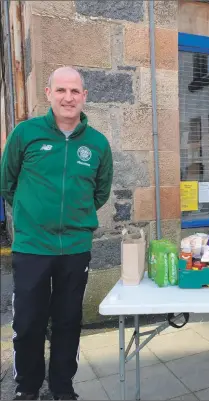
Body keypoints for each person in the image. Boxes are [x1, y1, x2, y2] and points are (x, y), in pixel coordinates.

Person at [0, 66, 113, 400]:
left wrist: (77, 218)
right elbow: (7, 181)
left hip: (75, 247)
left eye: (75, 91)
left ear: (84, 97)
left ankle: (63, 387)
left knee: (67, 321)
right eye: (61, 90)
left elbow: (100, 191)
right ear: (48, 94)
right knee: (29, 322)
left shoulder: (97, 144)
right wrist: (30, 215)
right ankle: (28, 388)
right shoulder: (26, 134)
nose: (68, 97)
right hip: (33, 246)